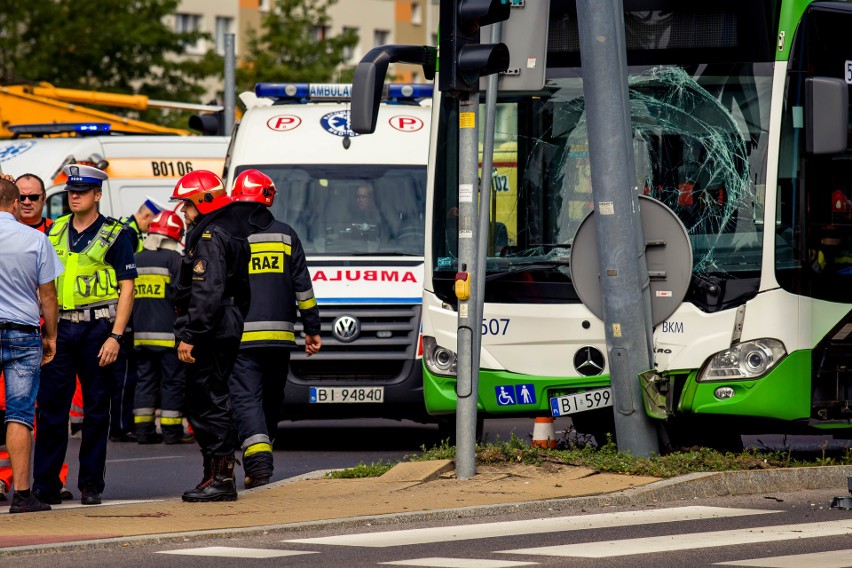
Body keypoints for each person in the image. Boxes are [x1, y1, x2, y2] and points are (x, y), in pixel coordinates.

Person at [33, 164, 137, 506]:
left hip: (98, 329)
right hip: (60, 328)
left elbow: (127, 288)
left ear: (97, 195)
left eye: (81, 191)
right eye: (70, 192)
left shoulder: (116, 234)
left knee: (96, 410)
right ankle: (45, 484)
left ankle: (91, 484)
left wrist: (115, 337)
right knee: (51, 409)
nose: (74, 196)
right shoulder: (55, 230)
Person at [229, 170, 321, 489]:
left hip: (240, 339)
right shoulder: (286, 235)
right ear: (268, 198)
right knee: (270, 399)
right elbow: (303, 289)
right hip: (280, 340)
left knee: (246, 399)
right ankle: (262, 456)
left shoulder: (228, 236)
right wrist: (312, 329)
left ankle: (259, 464)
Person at [171, 170, 252, 502]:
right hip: (225, 321)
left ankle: (220, 478)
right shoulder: (231, 229)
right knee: (211, 397)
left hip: (211, 325)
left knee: (207, 401)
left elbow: (206, 290)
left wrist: (191, 333)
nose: (184, 213)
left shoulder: (210, 235)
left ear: (203, 202)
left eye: (187, 205)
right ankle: (214, 474)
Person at [0, 177, 63, 513]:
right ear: (14, 205)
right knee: (20, 414)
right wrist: (50, 335)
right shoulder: (35, 238)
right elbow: (48, 294)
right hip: (24, 332)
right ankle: (23, 496)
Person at [132, 210, 191, 445]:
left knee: (145, 381)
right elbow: (182, 297)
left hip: (140, 336)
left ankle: (144, 432)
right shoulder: (174, 260)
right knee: (172, 382)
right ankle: (171, 433)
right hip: (168, 336)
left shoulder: (136, 258)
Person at [109, 198, 164, 443]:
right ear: (147, 217)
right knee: (126, 376)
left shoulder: (126, 229)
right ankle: (121, 426)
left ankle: (122, 424)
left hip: (121, 313)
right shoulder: (129, 235)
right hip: (124, 316)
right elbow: (126, 279)